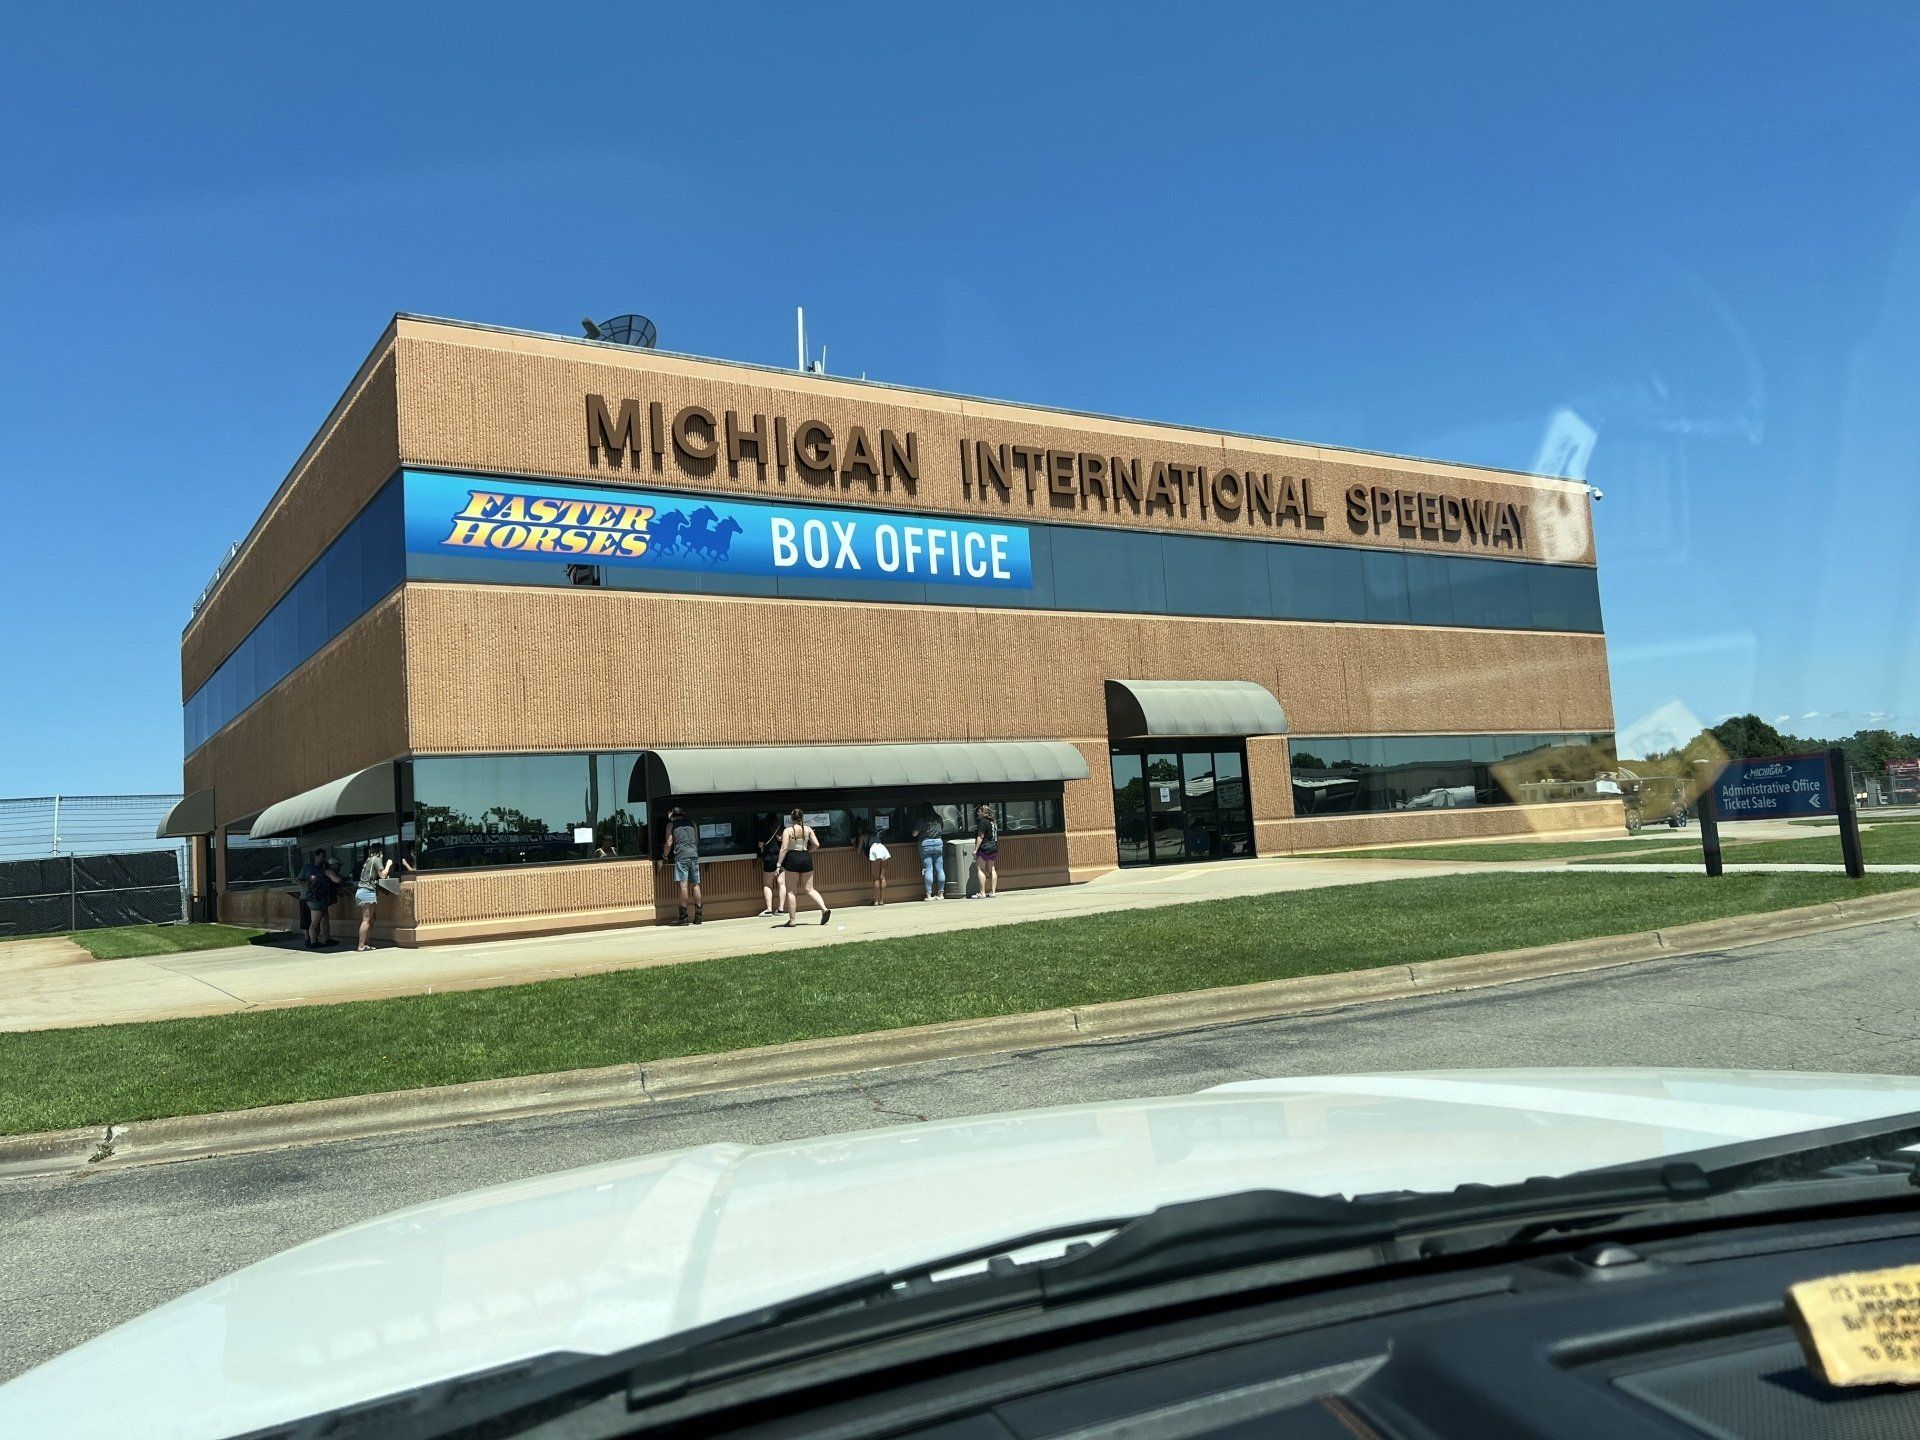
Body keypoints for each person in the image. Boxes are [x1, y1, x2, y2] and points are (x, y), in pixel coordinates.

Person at [777, 807, 831, 927]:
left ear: (791, 818)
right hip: (806, 857)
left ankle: (792, 920)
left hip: (792, 858)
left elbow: (784, 848)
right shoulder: (808, 829)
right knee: (809, 889)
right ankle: (824, 909)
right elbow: (817, 844)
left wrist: (778, 864)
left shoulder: (788, 830)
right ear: (802, 818)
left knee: (791, 891)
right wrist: (808, 851)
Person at [660, 807, 703, 924]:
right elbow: (696, 841)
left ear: (672, 815)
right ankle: (698, 916)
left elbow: (669, 843)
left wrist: (664, 855)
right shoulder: (692, 823)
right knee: (696, 885)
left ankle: (683, 917)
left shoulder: (671, 825)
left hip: (681, 856)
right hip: (694, 855)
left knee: (683, 886)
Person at [297, 848, 341, 947]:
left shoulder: (323, 868)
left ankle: (326, 939)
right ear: (315, 856)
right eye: (322, 857)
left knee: (324, 919)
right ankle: (311, 941)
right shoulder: (308, 868)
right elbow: (299, 880)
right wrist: (308, 883)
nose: (323, 859)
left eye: (324, 857)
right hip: (311, 897)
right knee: (312, 921)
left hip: (321, 898)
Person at [354, 846, 393, 952]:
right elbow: (383, 875)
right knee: (366, 920)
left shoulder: (368, 860)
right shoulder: (376, 859)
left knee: (371, 918)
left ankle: (365, 943)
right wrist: (388, 864)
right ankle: (361, 945)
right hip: (367, 891)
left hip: (362, 890)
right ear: (379, 852)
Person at [757, 816, 788, 917]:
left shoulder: (765, 830)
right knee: (782, 883)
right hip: (780, 858)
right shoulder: (782, 829)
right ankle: (781, 909)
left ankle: (769, 909)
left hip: (769, 858)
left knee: (767, 884)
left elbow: (760, 845)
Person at [914, 806, 946, 900]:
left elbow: (915, 833)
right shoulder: (938, 818)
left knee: (928, 869)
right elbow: (942, 828)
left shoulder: (922, 820)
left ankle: (929, 895)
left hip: (926, 843)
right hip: (938, 842)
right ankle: (941, 894)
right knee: (940, 869)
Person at [972, 804, 1000, 899]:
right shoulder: (993, 823)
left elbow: (980, 836)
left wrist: (975, 849)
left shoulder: (982, 822)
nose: (977, 813)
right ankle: (993, 892)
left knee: (981, 869)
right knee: (992, 869)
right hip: (993, 847)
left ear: (984, 813)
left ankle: (982, 893)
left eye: (979, 811)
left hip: (984, 848)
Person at [865, 824, 891, 906]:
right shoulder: (878, 835)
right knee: (882, 877)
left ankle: (875, 901)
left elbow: (859, 849)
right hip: (882, 848)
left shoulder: (864, 835)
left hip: (874, 849)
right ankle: (882, 900)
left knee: (875, 878)